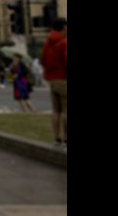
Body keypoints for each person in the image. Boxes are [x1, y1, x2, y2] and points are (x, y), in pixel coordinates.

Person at [41, 18, 67, 148]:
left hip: (52, 80)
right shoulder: (64, 42)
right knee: (66, 111)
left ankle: (56, 138)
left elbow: (43, 60)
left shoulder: (48, 43)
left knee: (56, 111)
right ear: (63, 28)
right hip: (63, 79)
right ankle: (66, 139)